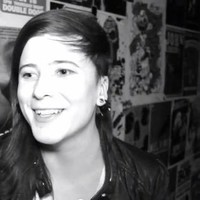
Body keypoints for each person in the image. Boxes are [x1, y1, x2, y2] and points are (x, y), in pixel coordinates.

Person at [0, 9, 168, 200]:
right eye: (28, 74)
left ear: (101, 89)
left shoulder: (147, 177)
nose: (39, 91)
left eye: (63, 71)